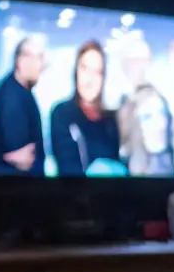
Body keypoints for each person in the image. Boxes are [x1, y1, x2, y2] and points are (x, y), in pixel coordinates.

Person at [49, 40, 121, 176]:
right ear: (75, 72)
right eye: (84, 69)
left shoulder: (111, 121)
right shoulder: (62, 113)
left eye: (97, 72)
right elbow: (68, 169)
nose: (89, 79)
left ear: (103, 78)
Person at [0, 36, 47, 176]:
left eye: (40, 58)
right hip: (13, 188)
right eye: (31, 57)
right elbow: (22, 159)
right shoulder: (12, 97)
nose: (38, 65)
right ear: (19, 60)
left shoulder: (22, 91)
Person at [117, 83, 174, 177]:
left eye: (162, 112)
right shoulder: (116, 172)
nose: (161, 124)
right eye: (147, 117)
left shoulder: (173, 167)